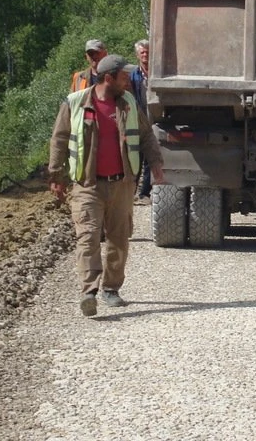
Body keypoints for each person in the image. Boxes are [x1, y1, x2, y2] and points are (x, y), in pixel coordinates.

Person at [49, 54, 165, 317]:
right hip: (87, 184)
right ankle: (88, 291)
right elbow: (59, 139)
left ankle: (111, 289)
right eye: (124, 76)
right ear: (108, 78)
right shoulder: (76, 103)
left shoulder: (128, 103)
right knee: (88, 237)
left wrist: (156, 162)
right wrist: (56, 176)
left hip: (122, 183)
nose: (128, 80)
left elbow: (146, 135)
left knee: (119, 240)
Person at [130, 40, 152, 204]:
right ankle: (131, 192)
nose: (145, 55)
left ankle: (145, 193)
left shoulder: (157, 74)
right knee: (135, 156)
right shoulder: (134, 75)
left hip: (155, 118)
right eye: (142, 52)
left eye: (147, 52)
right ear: (138, 55)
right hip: (139, 118)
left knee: (150, 158)